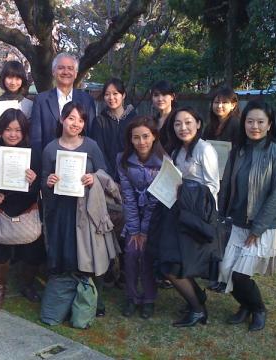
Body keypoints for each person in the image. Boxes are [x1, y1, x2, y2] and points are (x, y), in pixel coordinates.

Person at [218, 100, 276, 331]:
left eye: (260, 121)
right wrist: (220, 215)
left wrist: (257, 229)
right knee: (226, 270)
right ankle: (245, 305)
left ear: (269, 125)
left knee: (240, 275)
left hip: (262, 227)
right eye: (250, 121)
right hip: (238, 223)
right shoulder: (238, 151)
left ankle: (258, 309)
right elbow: (226, 186)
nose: (254, 126)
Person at [41, 101, 117, 317]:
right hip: (61, 211)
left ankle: (94, 299)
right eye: (71, 118)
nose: (76, 123)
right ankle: (67, 300)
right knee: (67, 254)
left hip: (87, 211)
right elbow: (44, 181)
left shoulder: (91, 146)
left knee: (92, 256)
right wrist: (49, 181)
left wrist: (92, 177)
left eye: (81, 120)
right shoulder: (50, 148)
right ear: (62, 119)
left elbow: (105, 173)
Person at [149, 106, 220, 327]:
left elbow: (212, 187)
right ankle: (196, 298)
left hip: (194, 217)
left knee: (173, 265)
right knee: (167, 261)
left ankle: (198, 310)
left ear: (198, 124)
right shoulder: (178, 150)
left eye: (188, 122)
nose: (183, 127)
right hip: (175, 213)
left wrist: (185, 189)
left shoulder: (204, 149)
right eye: (178, 123)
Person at [0, 109, 46, 310]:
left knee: (32, 251)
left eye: (18, 130)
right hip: (2, 207)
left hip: (28, 206)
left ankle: (27, 285)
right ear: (0, 130)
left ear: (24, 131)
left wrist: (33, 181)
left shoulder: (33, 152)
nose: (13, 134)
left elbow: (40, 188)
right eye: (8, 129)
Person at [116, 116, 165, 319]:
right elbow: (127, 195)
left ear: (154, 136)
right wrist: (135, 230)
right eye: (136, 137)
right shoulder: (123, 160)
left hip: (155, 218)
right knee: (130, 253)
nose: (141, 142)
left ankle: (149, 298)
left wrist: (144, 231)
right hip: (133, 214)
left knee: (146, 255)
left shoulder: (163, 161)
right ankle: (131, 297)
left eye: (146, 136)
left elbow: (155, 199)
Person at [202, 86, 240, 291]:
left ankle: (224, 275)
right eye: (216, 101)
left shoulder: (235, 125)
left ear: (233, 104)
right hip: (213, 179)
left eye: (224, 102)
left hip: (228, 181)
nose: (219, 105)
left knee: (225, 228)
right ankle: (214, 272)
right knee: (214, 224)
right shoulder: (210, 126)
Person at [30, 52, 96, 151]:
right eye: (61, 68)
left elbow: (91, 134)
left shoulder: (87, 100)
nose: (65, 72)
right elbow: (36, 139)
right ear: (53, 71)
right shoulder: (41, 100)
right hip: (49, 160)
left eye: (70, 68)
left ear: (76, 73)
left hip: (78, 162)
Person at [91, 78, 137, 180]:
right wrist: (109, 177)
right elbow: (99, 152)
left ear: (123, 95)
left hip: (132, 176)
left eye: (115, 93)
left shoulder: (135, 120)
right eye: (107, 94)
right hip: (107, 178)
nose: (111, 98)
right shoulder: (99, 121)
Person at [0, 60, 33, 143]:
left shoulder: (30, 105)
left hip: (22, 150)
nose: (13, 82)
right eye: (9, 77)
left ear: (22, 80)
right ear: (3, 78)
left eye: (17, 78)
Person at [151, 80, 177, 152]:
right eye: (156, 95)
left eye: (164, 94)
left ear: (172, 97)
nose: (160, 99)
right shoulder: (152, 121)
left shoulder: (178, 118)